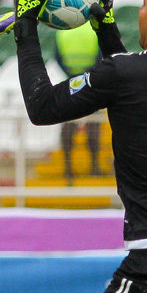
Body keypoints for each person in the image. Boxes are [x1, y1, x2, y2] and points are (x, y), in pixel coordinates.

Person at [14, 0, 147, 293]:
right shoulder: (127, 74)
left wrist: (26, 27)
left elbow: (42, 105)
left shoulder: (125, 74)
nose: (139, 11)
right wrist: (105, 29)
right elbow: (139, 85)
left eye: (143, 3)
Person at [54, 22, 102, 183]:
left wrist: (71, 75)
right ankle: (94, 166)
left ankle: (68, 168)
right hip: (90, 83)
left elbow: (57, 57)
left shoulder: (62, 31)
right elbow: (100, 56)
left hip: (70, 82)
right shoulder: (93, 29)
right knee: (94, 126)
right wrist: (88, 75)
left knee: (68, 127)